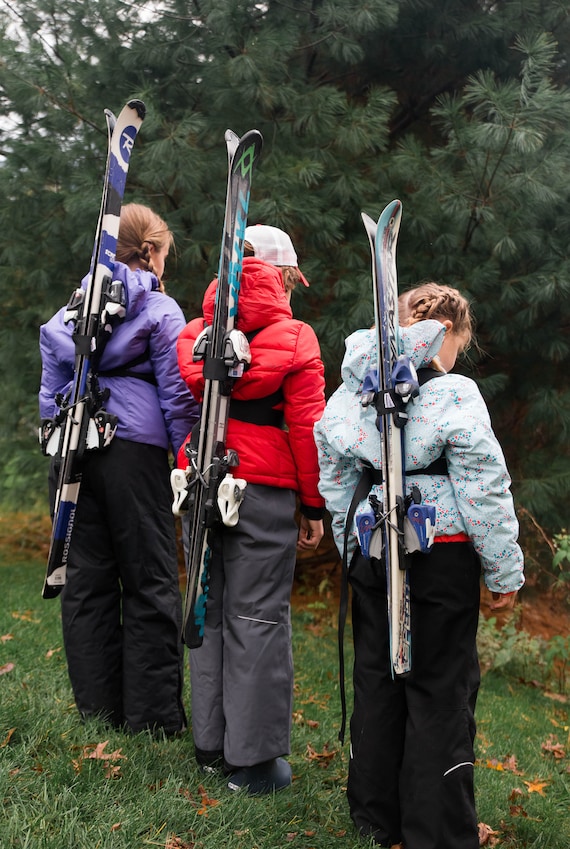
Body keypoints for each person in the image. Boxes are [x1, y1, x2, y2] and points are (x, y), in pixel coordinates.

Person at [314, 282, 524, 849]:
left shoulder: (351, 392)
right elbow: (483, 484)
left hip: (372, 545)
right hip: (442, 553)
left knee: (379, 678)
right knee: (437, 685)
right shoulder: (455, 393)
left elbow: (334, 476)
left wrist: (348, 541)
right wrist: (503, 571)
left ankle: (375, 816)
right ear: (451, 334)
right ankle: (436, 830)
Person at [39, 203, 199, 735]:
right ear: (149, 252)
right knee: (150, 578)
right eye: (164, 256)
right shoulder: (159, 309)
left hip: (73, 449)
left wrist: (57, 453)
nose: (164, 268)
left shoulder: (69, 314)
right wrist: (185, 465)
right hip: (135, 451)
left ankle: (97, 712)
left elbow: (48, 394)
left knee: (86, 580)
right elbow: (177, 397)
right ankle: (152, 718)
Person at [176, 224, 326, 793]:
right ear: (280, 275)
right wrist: (313, 504)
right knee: (257, 617)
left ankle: (211, 745)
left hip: (199, 480)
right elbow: (307, 427)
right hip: (261, 488)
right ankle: (255, 762)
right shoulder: (294, 337)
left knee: (206, 608)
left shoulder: (197, 333)